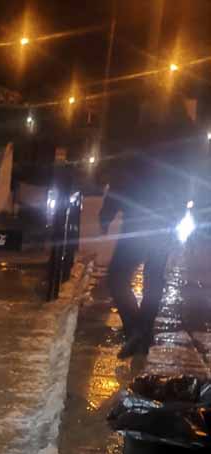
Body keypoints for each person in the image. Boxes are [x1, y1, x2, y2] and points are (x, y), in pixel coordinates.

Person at [99, 99, 199, 358]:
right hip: (163, 219)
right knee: (153, 276)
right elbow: (190, 179)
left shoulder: (144, 137)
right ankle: (141, 331)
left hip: (140, 216)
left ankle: (137, 329)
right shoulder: (182, 140)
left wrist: (108, 211)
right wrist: (182, 212)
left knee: (118, 276)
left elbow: (124, 175)